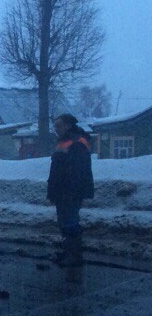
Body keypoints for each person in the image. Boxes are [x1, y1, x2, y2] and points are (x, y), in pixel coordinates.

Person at [47, 113, 94, 267]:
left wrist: (71, 192)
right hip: (62, 190)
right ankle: (69, 252)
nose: (56, 129)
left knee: (70, 222)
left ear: (68, 125)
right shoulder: (64, 141)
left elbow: (77, 171)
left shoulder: (77, 142)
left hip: (70, 191)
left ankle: (75, 256)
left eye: (58, 126)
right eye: (55, 126)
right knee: (64, 222)